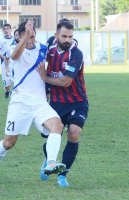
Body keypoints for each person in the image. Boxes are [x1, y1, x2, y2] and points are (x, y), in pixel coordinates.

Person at [0, 21, 66, 183]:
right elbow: (15, 56)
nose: (31, 39)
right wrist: (24, 37)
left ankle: (50, 162)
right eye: (28, 36)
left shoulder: (43, 49)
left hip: (39, 102)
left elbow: (58, 52)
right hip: (20, 102)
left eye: (33, 35)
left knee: (57, 126)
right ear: (22, 36)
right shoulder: (14, 50)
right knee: (9, 143)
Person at [37, 20, 89, 187]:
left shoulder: (76, 54)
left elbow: (66, 81)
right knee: (52, 136)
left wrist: (45, 78)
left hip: (77, 102)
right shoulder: (48, 51)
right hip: (56, 103)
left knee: (74, 133)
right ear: (56, 36)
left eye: (71, 36)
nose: (68, 40)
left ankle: (62, 175)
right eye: (64, 36)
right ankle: (48, 160)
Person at [0, 23, 14, 98]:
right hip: (5, 65)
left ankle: (14, 95)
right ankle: (7, 90)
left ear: (11, 30)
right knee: (7, 84)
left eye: (8, 29)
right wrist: (4, 58)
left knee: (17, 81)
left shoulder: (15, 39)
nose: (6, 30)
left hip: (15, 63)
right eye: (4, 29)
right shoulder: (0, 41)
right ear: (2, 31)